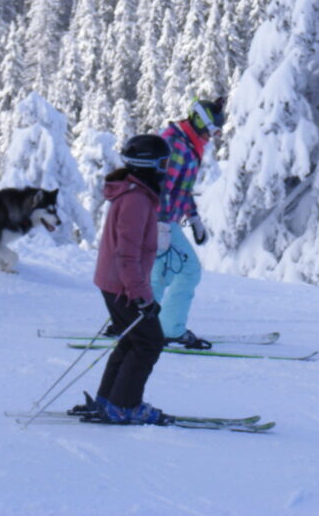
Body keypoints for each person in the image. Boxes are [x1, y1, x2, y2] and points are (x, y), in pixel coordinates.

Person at [89, 134, 172, 425]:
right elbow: (126, 254)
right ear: (148, 164)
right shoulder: (136, 200)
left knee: (131, 340)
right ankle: (123, 405)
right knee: (149, 342)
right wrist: (141, 296)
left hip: (116, 283)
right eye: (163, 163)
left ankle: (109, 400)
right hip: (123, 285)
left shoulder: (137, 194)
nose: (166, 170)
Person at [150, 96, 225, 350]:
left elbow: (181, 189)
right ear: (198, 122)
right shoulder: (176, 145)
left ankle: (142, 325)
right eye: (210, 130)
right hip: (159, 221)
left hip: (165, 219)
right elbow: (162, 188)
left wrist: (193, 217)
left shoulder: (188, 144)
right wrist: (162, 225)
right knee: (188, 270)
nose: (211, 137)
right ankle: (169, 329)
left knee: (162, 273)